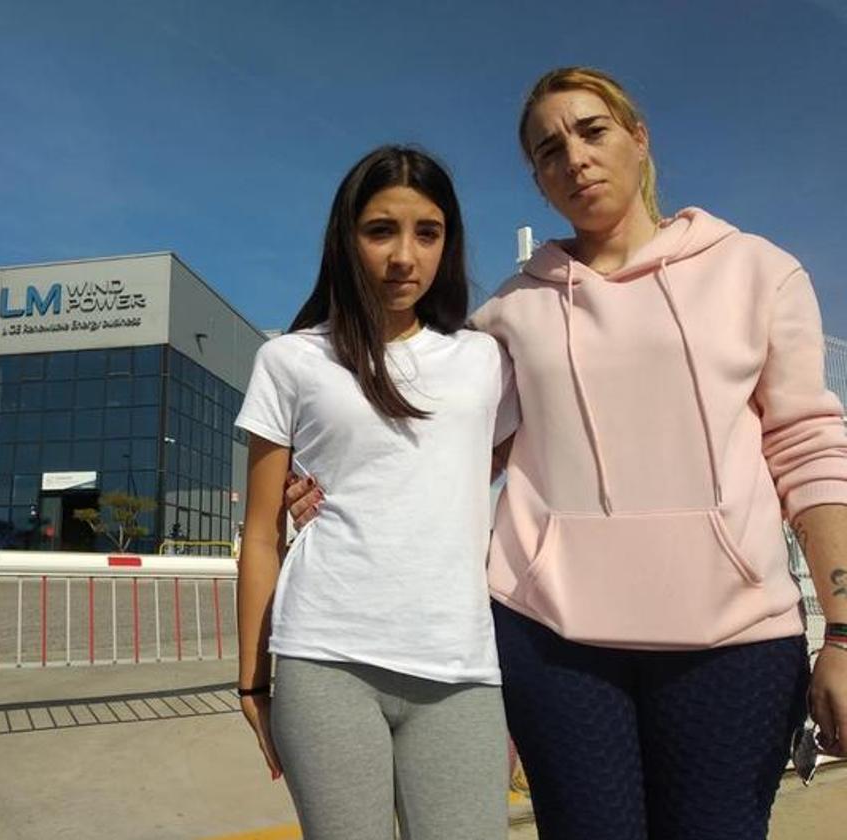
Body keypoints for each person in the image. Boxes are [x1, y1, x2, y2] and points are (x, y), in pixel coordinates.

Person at [285, 67, 847, 840]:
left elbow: (808, 448)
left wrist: (843, 631)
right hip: (554, 641)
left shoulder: (759, 272)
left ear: (639, 138)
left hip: (736, 640)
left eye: (592, 131)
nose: (574, 158)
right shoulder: (509, 313)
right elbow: (438, 447)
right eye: (549, 151)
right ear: (540, 179)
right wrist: (322, 481)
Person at [235, 145, 514, 840]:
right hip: (325, 656)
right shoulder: (291, 359)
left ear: (448, 243)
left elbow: (480, 465)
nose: (404, 256)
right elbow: (262, 532)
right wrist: (252, 680)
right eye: (380, 230)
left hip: (460, 664)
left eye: (428, 232)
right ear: (346, 238)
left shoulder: (484, 359)